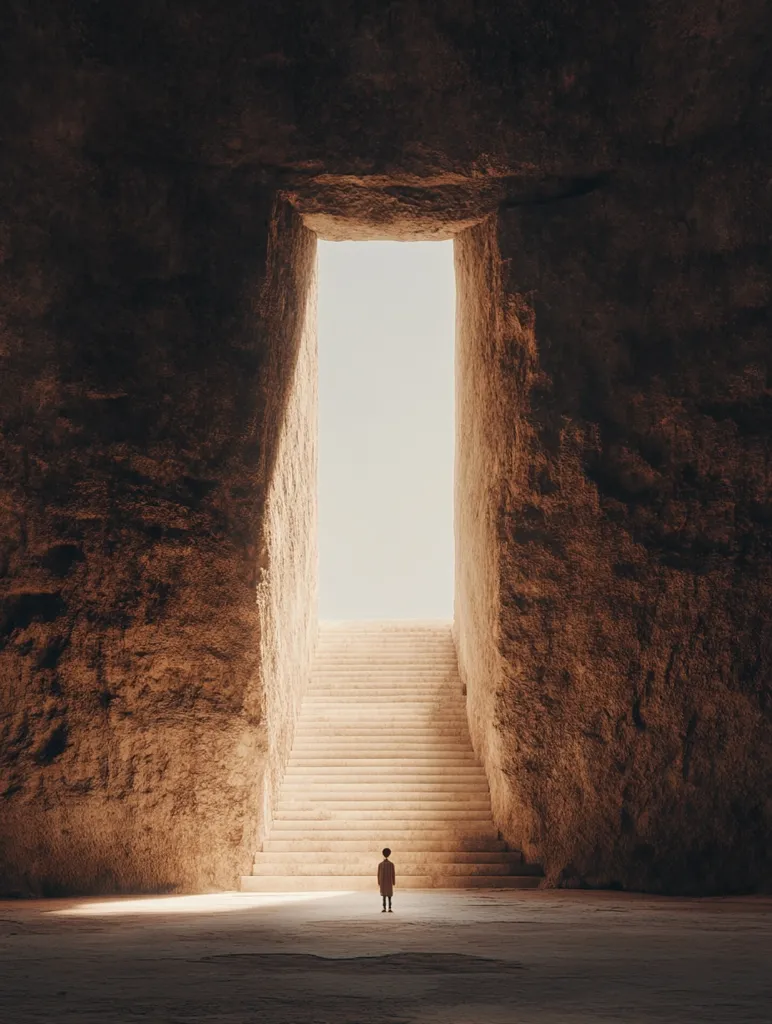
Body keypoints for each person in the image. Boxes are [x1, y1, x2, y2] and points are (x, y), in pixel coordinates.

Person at [377, 847, 395, 912]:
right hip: (389, 882)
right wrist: (393, 882)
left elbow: (378, 874)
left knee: (384, 896)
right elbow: (393, 874)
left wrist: (379, 882)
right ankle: (390, 908)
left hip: (383, 882)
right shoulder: (391, 864)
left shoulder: (380, 865)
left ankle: (384, 908)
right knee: (389, 896)